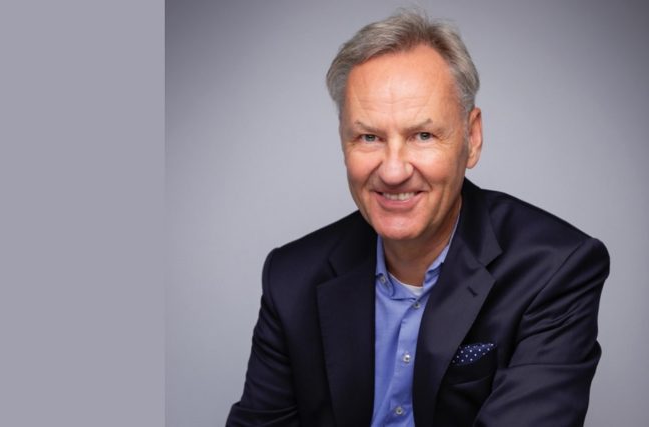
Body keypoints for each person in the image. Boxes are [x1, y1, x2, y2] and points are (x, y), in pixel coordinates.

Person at [226, 9, 609, 427]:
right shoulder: (291, 278)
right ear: (343, 142)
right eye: (369, 137)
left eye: (422, 135)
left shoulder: (555, 269)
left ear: (472, 137)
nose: (393, 171)